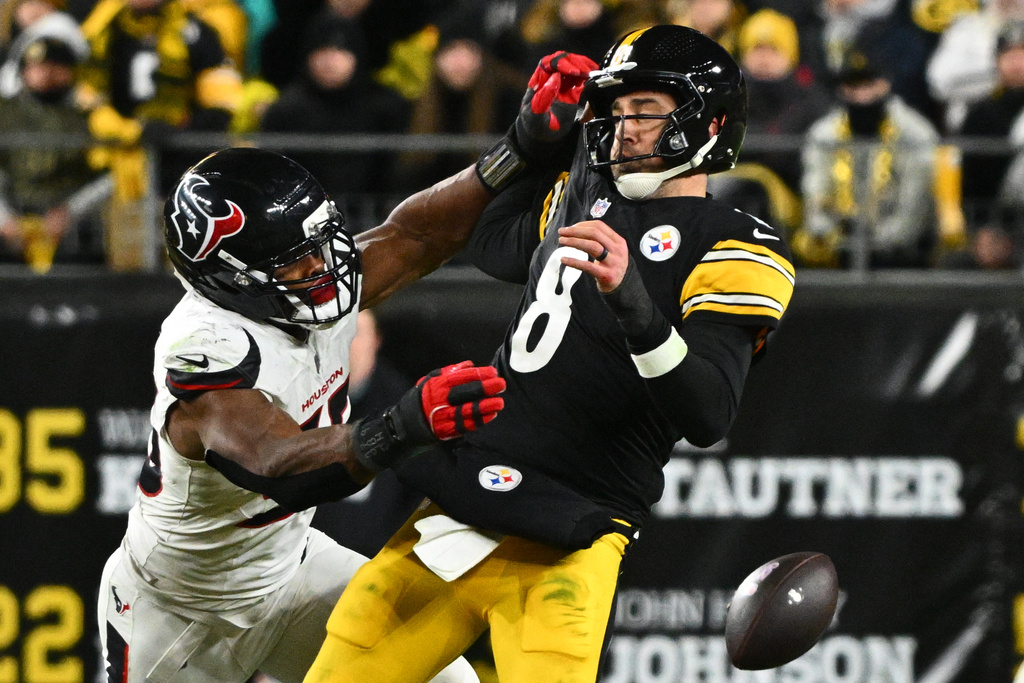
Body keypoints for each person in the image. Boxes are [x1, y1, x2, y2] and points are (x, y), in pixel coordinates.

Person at [210, 26, 796, 683]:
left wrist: (636, 307)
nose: (625, 128)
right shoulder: (587, 189)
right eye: (619, 110)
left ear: (711, 123)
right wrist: (534, 144)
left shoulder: (737, 242)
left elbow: (709, 411)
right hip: (458, 506)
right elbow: (489, 242)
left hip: (570, 531)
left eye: (647, 111)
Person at [93, 46, 592, 678]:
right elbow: (276, 465)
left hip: (291, 568)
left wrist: (518, 148)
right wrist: (401, 425)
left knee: (449, 678)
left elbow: (415, 235)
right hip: (185, 611)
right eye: (297, 263)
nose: (325, 271)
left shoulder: (308, 286)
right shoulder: (207, 346)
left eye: (321, 247)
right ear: (232, 278)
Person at [795, 46, 943, 268]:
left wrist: (885, 241)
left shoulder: (915, 133)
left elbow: (914, 202)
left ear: (886, 83)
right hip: (839, 244)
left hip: (901, 250)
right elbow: (816, 191)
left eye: (869, 84)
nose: (861, 95)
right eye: (853, 85)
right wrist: (828, 234)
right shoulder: (824, 133)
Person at [0, 33, 109, 270]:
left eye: (55, 66)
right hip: (12, 221)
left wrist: (71, 211)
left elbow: (108, 176)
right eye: (36, 67)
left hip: (72, 228)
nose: (45, 74)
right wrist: (4, 218)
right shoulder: (5, 112)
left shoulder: (91, 116)